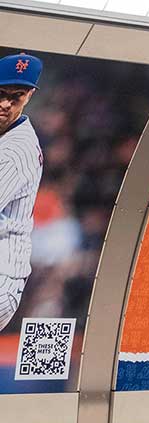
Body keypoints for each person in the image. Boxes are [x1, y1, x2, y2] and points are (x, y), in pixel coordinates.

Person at [0, 52, 44, 332]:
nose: (5, 103)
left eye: (16, 96)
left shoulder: (15, 150)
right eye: (1, 92)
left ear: (28, 96)